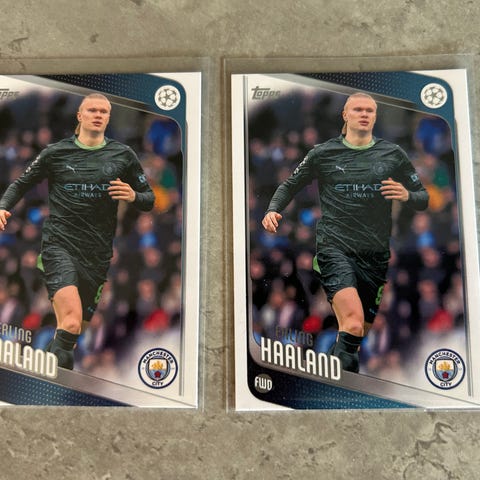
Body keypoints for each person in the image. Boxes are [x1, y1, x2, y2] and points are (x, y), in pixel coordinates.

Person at [262, 92, 429, 373]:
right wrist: (272, 209)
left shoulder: (393, 154)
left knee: (356, 333)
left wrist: (406, 195)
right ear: (345, 115)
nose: (364, 114)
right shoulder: (323, 153)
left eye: (369, 110)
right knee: (352, 323)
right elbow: (290, 184)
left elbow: (422, 198)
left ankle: (331, 368)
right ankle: (339, 386)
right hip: (335, 249)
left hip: (375, 255)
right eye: (357, 109)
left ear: (375, 117)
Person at [0, 93, 155, 370]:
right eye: (92, 110)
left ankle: (49, 369)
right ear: (79, 115)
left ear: (108, 118)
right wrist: (3, 206)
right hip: (60, 247)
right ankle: (49, 379)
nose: (98, 115)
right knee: (71, 322)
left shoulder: (123, 155)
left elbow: (149, 199)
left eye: (104, 112)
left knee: (72, 333)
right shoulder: (55, 153)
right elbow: (21, 183)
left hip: (97, 255)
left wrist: (134, 195)